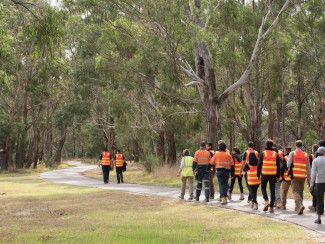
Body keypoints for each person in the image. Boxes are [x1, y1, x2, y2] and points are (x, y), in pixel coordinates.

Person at [258, 139, 281, 213]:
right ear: (272, 145)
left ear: (266, 145)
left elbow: (259, 164)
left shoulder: (263, 153)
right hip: (273, 174)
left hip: (264, 173)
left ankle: (266, 200)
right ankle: (271, 207)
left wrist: (258, 174)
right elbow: (278, 165)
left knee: (263, 188)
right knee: (272, 190)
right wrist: (278, 175)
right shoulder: (275, 154)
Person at [287, 140, 310, 215]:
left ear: (295, 145)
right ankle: (298, 207)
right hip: (303, 176)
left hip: (295, 175)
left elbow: (288, 164)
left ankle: (299, 205)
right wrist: (308, 177)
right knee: (300, 191)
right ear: (301, 145)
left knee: (295, 191)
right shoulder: (306, 154)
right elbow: (308, 167)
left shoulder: (292, 153)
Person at [310, 147, 325, 224]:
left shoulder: (315, 161)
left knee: (319, 200)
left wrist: (311, 185)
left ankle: (319, 219)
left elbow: (313, 174)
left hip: (319, 182)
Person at [309, 144, 319, 212]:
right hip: (319, 175)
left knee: (313, 190)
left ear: (313, 149)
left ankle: (315, 205)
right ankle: (315, 204)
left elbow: (309, 167)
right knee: (315, 191)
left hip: (313, 175)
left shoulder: (311, 156)